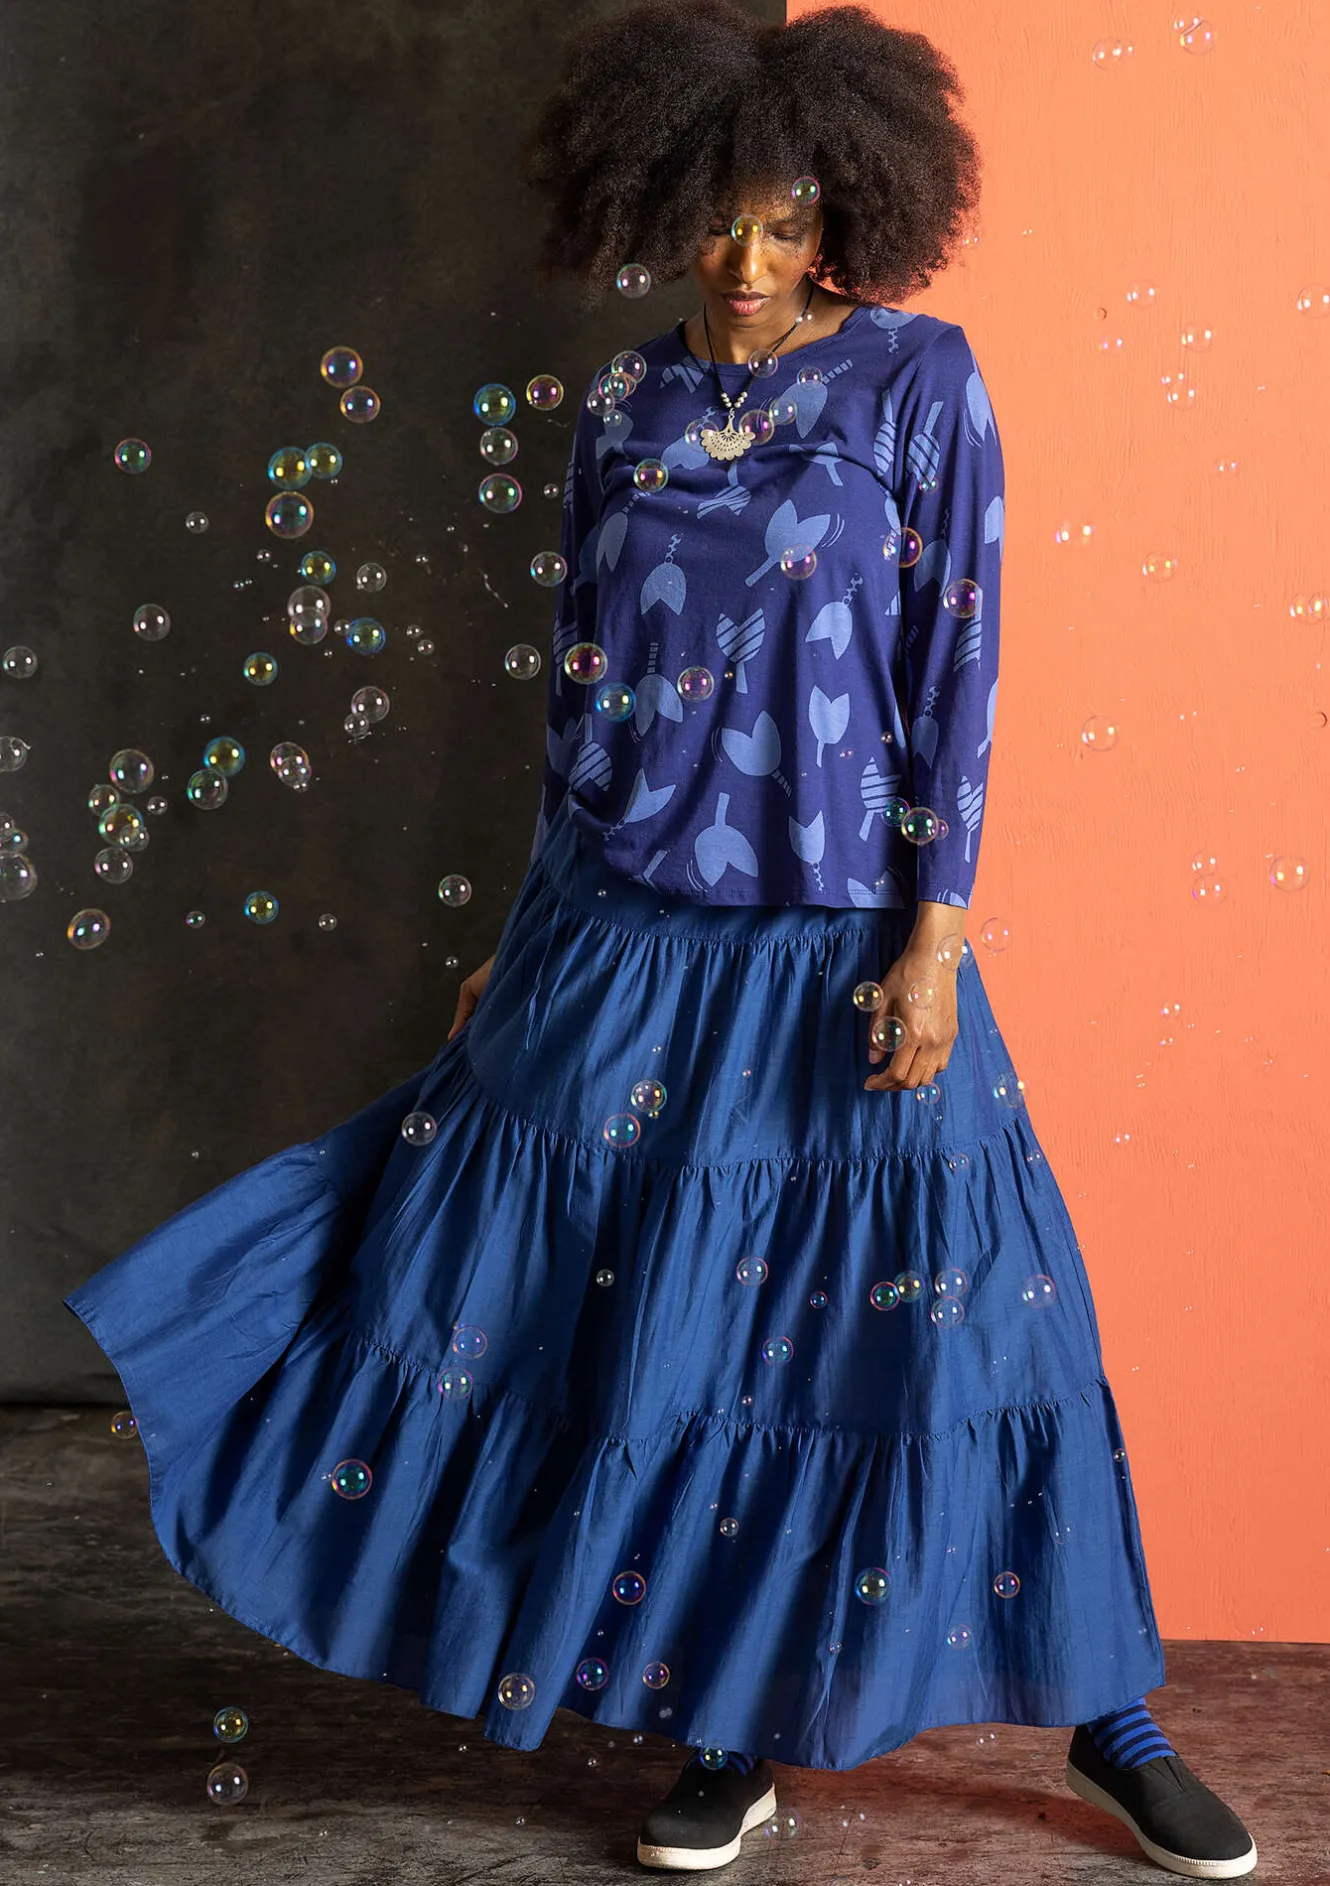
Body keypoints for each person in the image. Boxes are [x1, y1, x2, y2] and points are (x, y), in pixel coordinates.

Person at [63, 1, 1256, 1878]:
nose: (750, 263)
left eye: (787, 225)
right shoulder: (624, 405)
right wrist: (528, 922)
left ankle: (1111, 1720)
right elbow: (585, 697)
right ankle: (727, 1733)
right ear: (661, 205)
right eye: (719, 222)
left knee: (965, 1318)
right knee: (675, 1338)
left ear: (848, 210)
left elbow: (959, 667)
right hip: (622, 931)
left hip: (834, 933)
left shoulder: (917, 381)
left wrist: (933, 936)